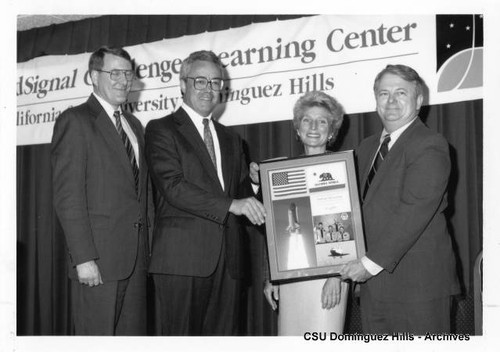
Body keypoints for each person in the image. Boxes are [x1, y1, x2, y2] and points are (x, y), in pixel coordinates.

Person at [145, 50, 266, 336]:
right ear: (183, 84)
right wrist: (232, 205)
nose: (208, 89)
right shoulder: (161, 129)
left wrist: (254, 184)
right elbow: (173, 187)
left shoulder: (231, 138)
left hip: (229, 261)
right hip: (182, 261)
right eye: (200, 81)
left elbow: (238, 195)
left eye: (215, 82)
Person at [340, 64, 460, 334]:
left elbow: (414, 209)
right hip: (374, 287)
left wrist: (368, 265)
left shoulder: (429, 143)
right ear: (376, 101)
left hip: (418, 286)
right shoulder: (367, 147)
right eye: (384, 93)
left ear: (418, 101)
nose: (391, 101)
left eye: (401, 93)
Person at [51, 46, 150, 335]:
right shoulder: (76, 121)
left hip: (135, 262)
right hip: (98, 264)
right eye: (114, 73)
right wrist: (83, 258)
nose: (123, 81)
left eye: (128, 74)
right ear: (94, 76)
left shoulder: (134, 125)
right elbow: (68, 197)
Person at [252, 90, 348, 335]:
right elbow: (273, 229)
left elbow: (348, 231)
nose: (314, 126)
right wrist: (272, 277)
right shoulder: (282, 173)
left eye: (322, 121)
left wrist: (337, 277)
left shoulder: (342, 170)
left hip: (330, 277)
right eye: (307, 120)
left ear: (332, 131)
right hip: (292, 276)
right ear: (297, 129)